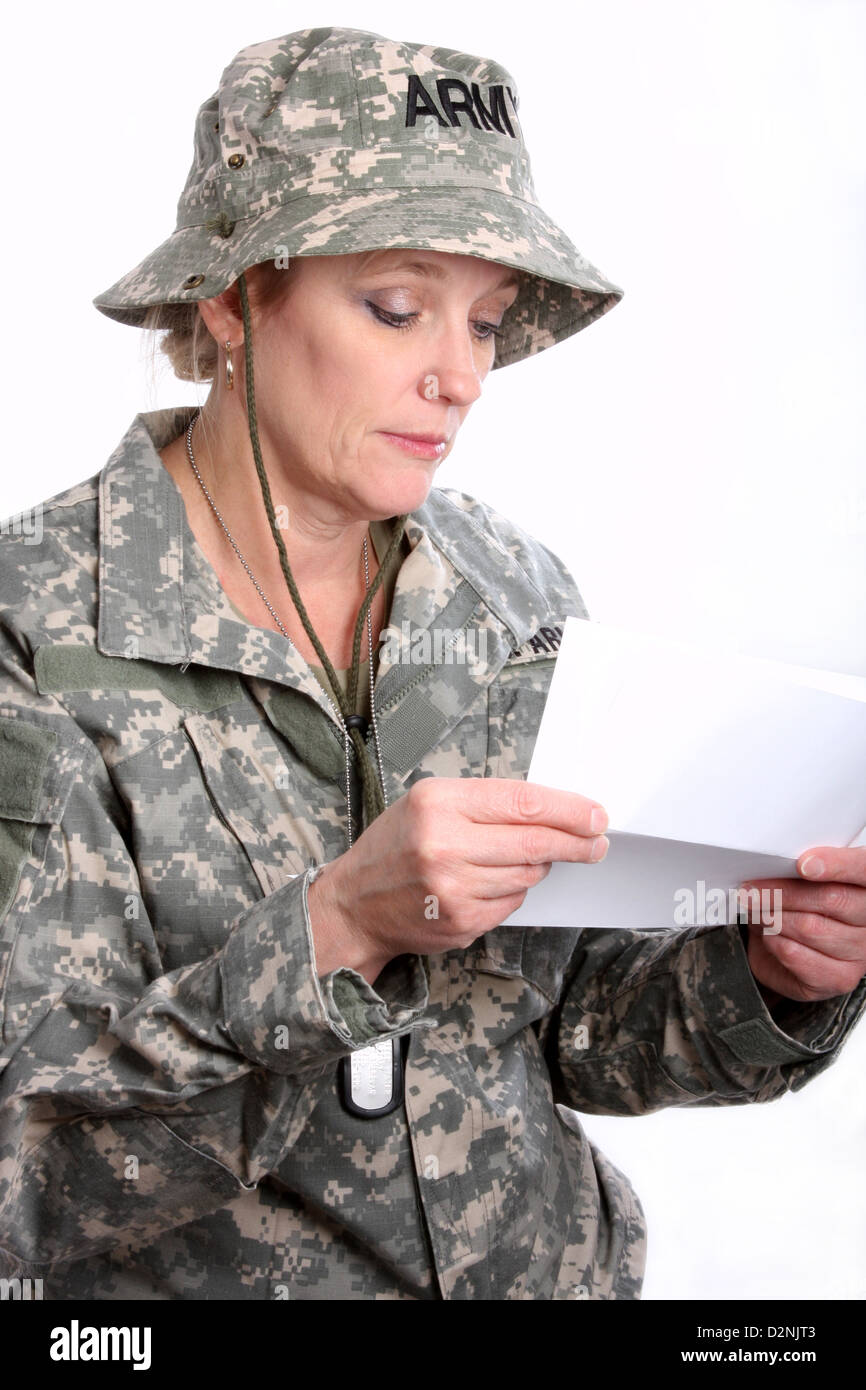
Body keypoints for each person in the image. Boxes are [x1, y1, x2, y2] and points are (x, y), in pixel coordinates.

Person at [0, 24, 864, 1302]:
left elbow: (567, 1030)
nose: (458, 376)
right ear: (234, 299)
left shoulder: (509, 589)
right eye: (396, 307)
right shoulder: (37, 630)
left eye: (487, 322)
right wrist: (336, 929)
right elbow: (31, 1182)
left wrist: (762, 968)